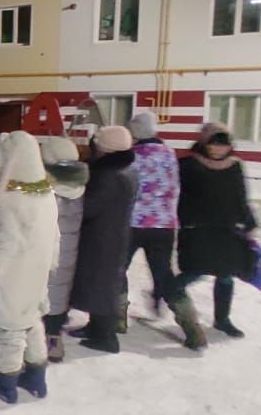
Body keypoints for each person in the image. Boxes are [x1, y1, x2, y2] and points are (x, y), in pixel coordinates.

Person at [0, 131, 59, 403]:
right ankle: (37, 378)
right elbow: (55, 236)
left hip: (12, 276)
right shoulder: (46, 193)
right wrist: (50, 265)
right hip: (37, 271)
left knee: (10, 331)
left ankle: (7, 383)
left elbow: (3, 247)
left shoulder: (11, 200)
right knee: (33, 322)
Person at [177, 123, 257, 341]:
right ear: (204, 143)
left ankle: (222, 319)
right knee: (193, 272)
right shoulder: (188, 164)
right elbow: (178, 195)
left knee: (226, 275)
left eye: (224, 145)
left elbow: (241, 197)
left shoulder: (235, 166)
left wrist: (249, 222)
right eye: (214, 144)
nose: (218, 149)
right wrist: (184, 219)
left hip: (227, 230)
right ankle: (164, 292)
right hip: (198, 229)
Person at [68, 127, 140, 354]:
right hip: (111, 235)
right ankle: (95, 327)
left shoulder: (109, 175)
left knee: (101, 286)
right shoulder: (124, 170)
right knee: (99, 285)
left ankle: (106, 338)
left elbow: (90, 207)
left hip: (102, 237)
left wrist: (73, 200)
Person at [125, 111, 181, 326]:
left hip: (133, 223)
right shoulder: (169, 154)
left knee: (118, 269)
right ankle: (189, 321)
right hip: (164, 224)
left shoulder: (132, 156)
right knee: (163, 272)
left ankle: (117, 317)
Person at [38, 138, 87, 363]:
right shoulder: (81, 184)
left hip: (47, 247)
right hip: (70, 249)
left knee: (44, 288)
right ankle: (54, 337)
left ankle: (42, 338)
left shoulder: (44, 187)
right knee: (60, 288)